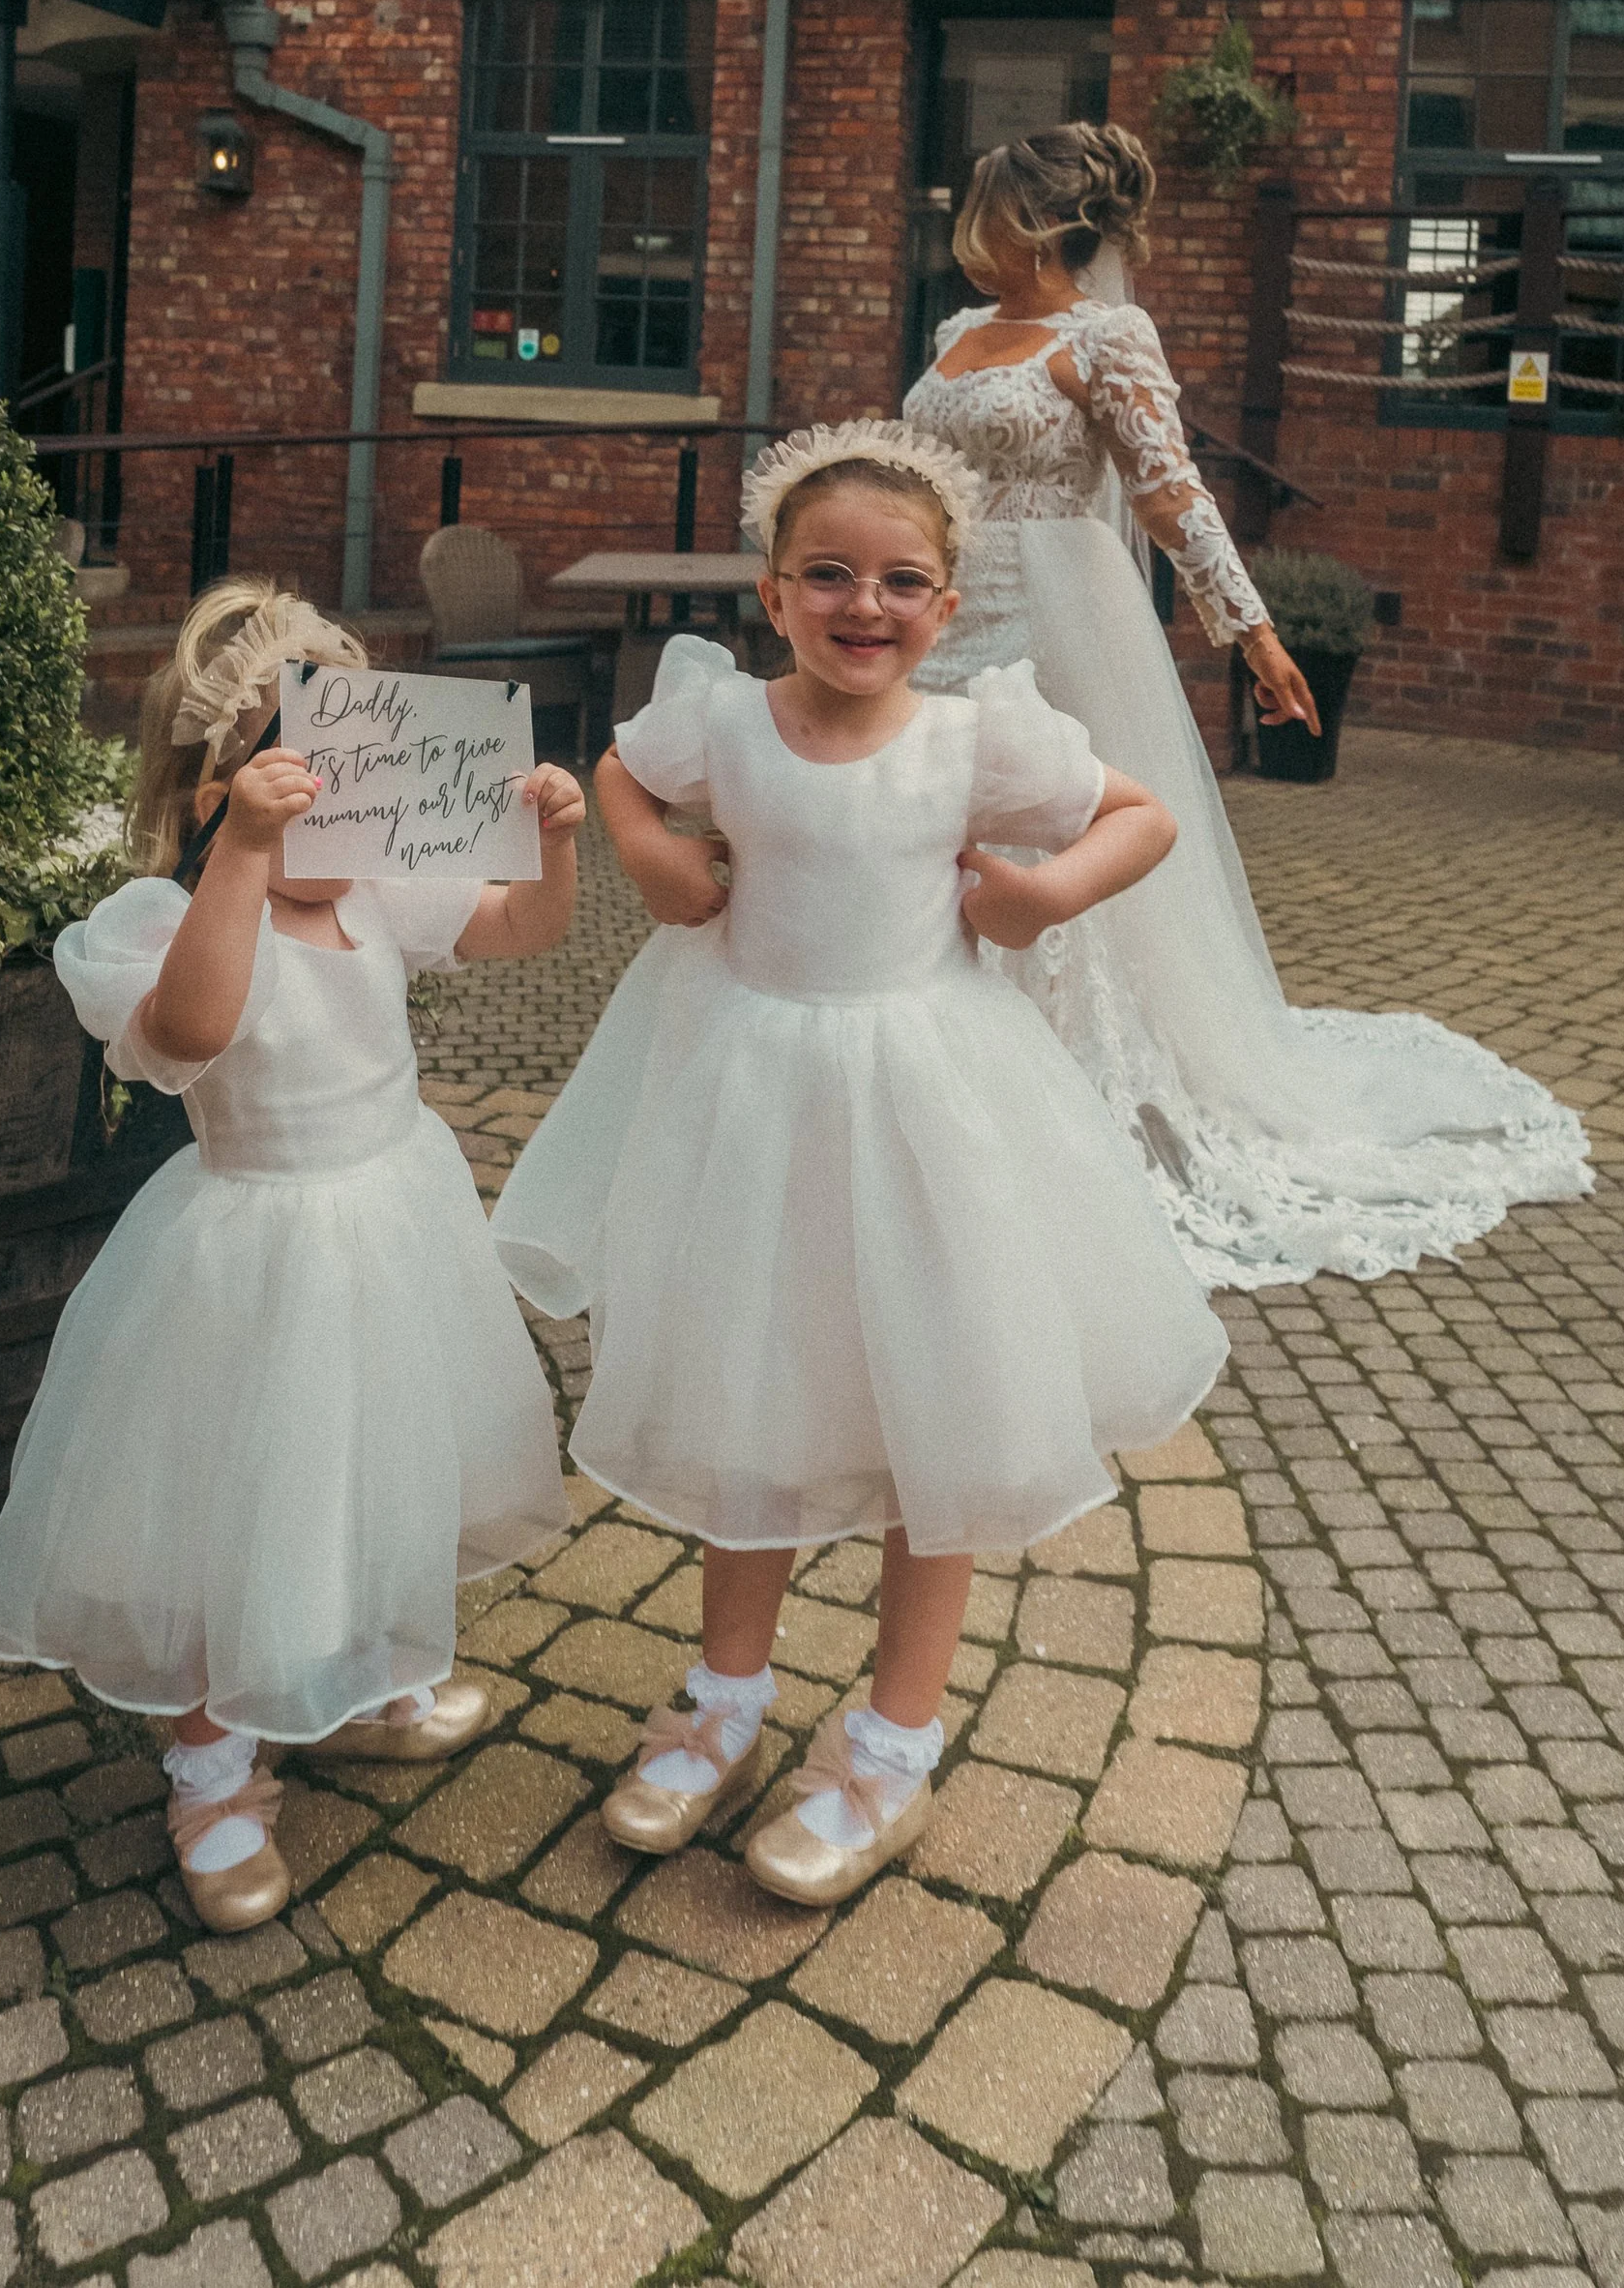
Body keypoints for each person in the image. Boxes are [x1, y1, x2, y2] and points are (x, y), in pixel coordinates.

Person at [489, 423, 1226, 1910]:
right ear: (774, 591)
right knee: (746, 1394)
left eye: (901, 581)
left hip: (926, 1121)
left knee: (926, 1418)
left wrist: (1043, 893)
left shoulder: (976, 739)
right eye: (829, 575)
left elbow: (1140, 815)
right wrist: (643, 853)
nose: (864, 606)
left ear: (947, 607)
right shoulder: (728, 725)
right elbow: (619, 774)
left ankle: (893, 1742)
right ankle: (727, 1699)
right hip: (751, 1110)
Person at [0, 579, 581, 1933]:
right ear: (212, 800)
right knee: (234, 1506)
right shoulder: (165, 924)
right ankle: (213, 1761)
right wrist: (241, 858)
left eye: (343, 776)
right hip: (253, 1252)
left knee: (376, 1455)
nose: (319, 806)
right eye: (285, 780)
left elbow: (523, 929)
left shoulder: (382, 892)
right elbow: (186, 1035)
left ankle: (355, 1671)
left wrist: (552, 842)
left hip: (397, 1217)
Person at [901, 122, 1592, 1292]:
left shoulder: (1107, 338)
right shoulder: (957, 335)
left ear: (1031, 221)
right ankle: (929, 1060)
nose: (966, 230)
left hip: (1059, 612)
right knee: (926, 813)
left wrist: (1251, 629)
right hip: (943, 604)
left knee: (1043, 822)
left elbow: (1171, 497)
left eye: (982, 209)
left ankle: (1069, 1089)